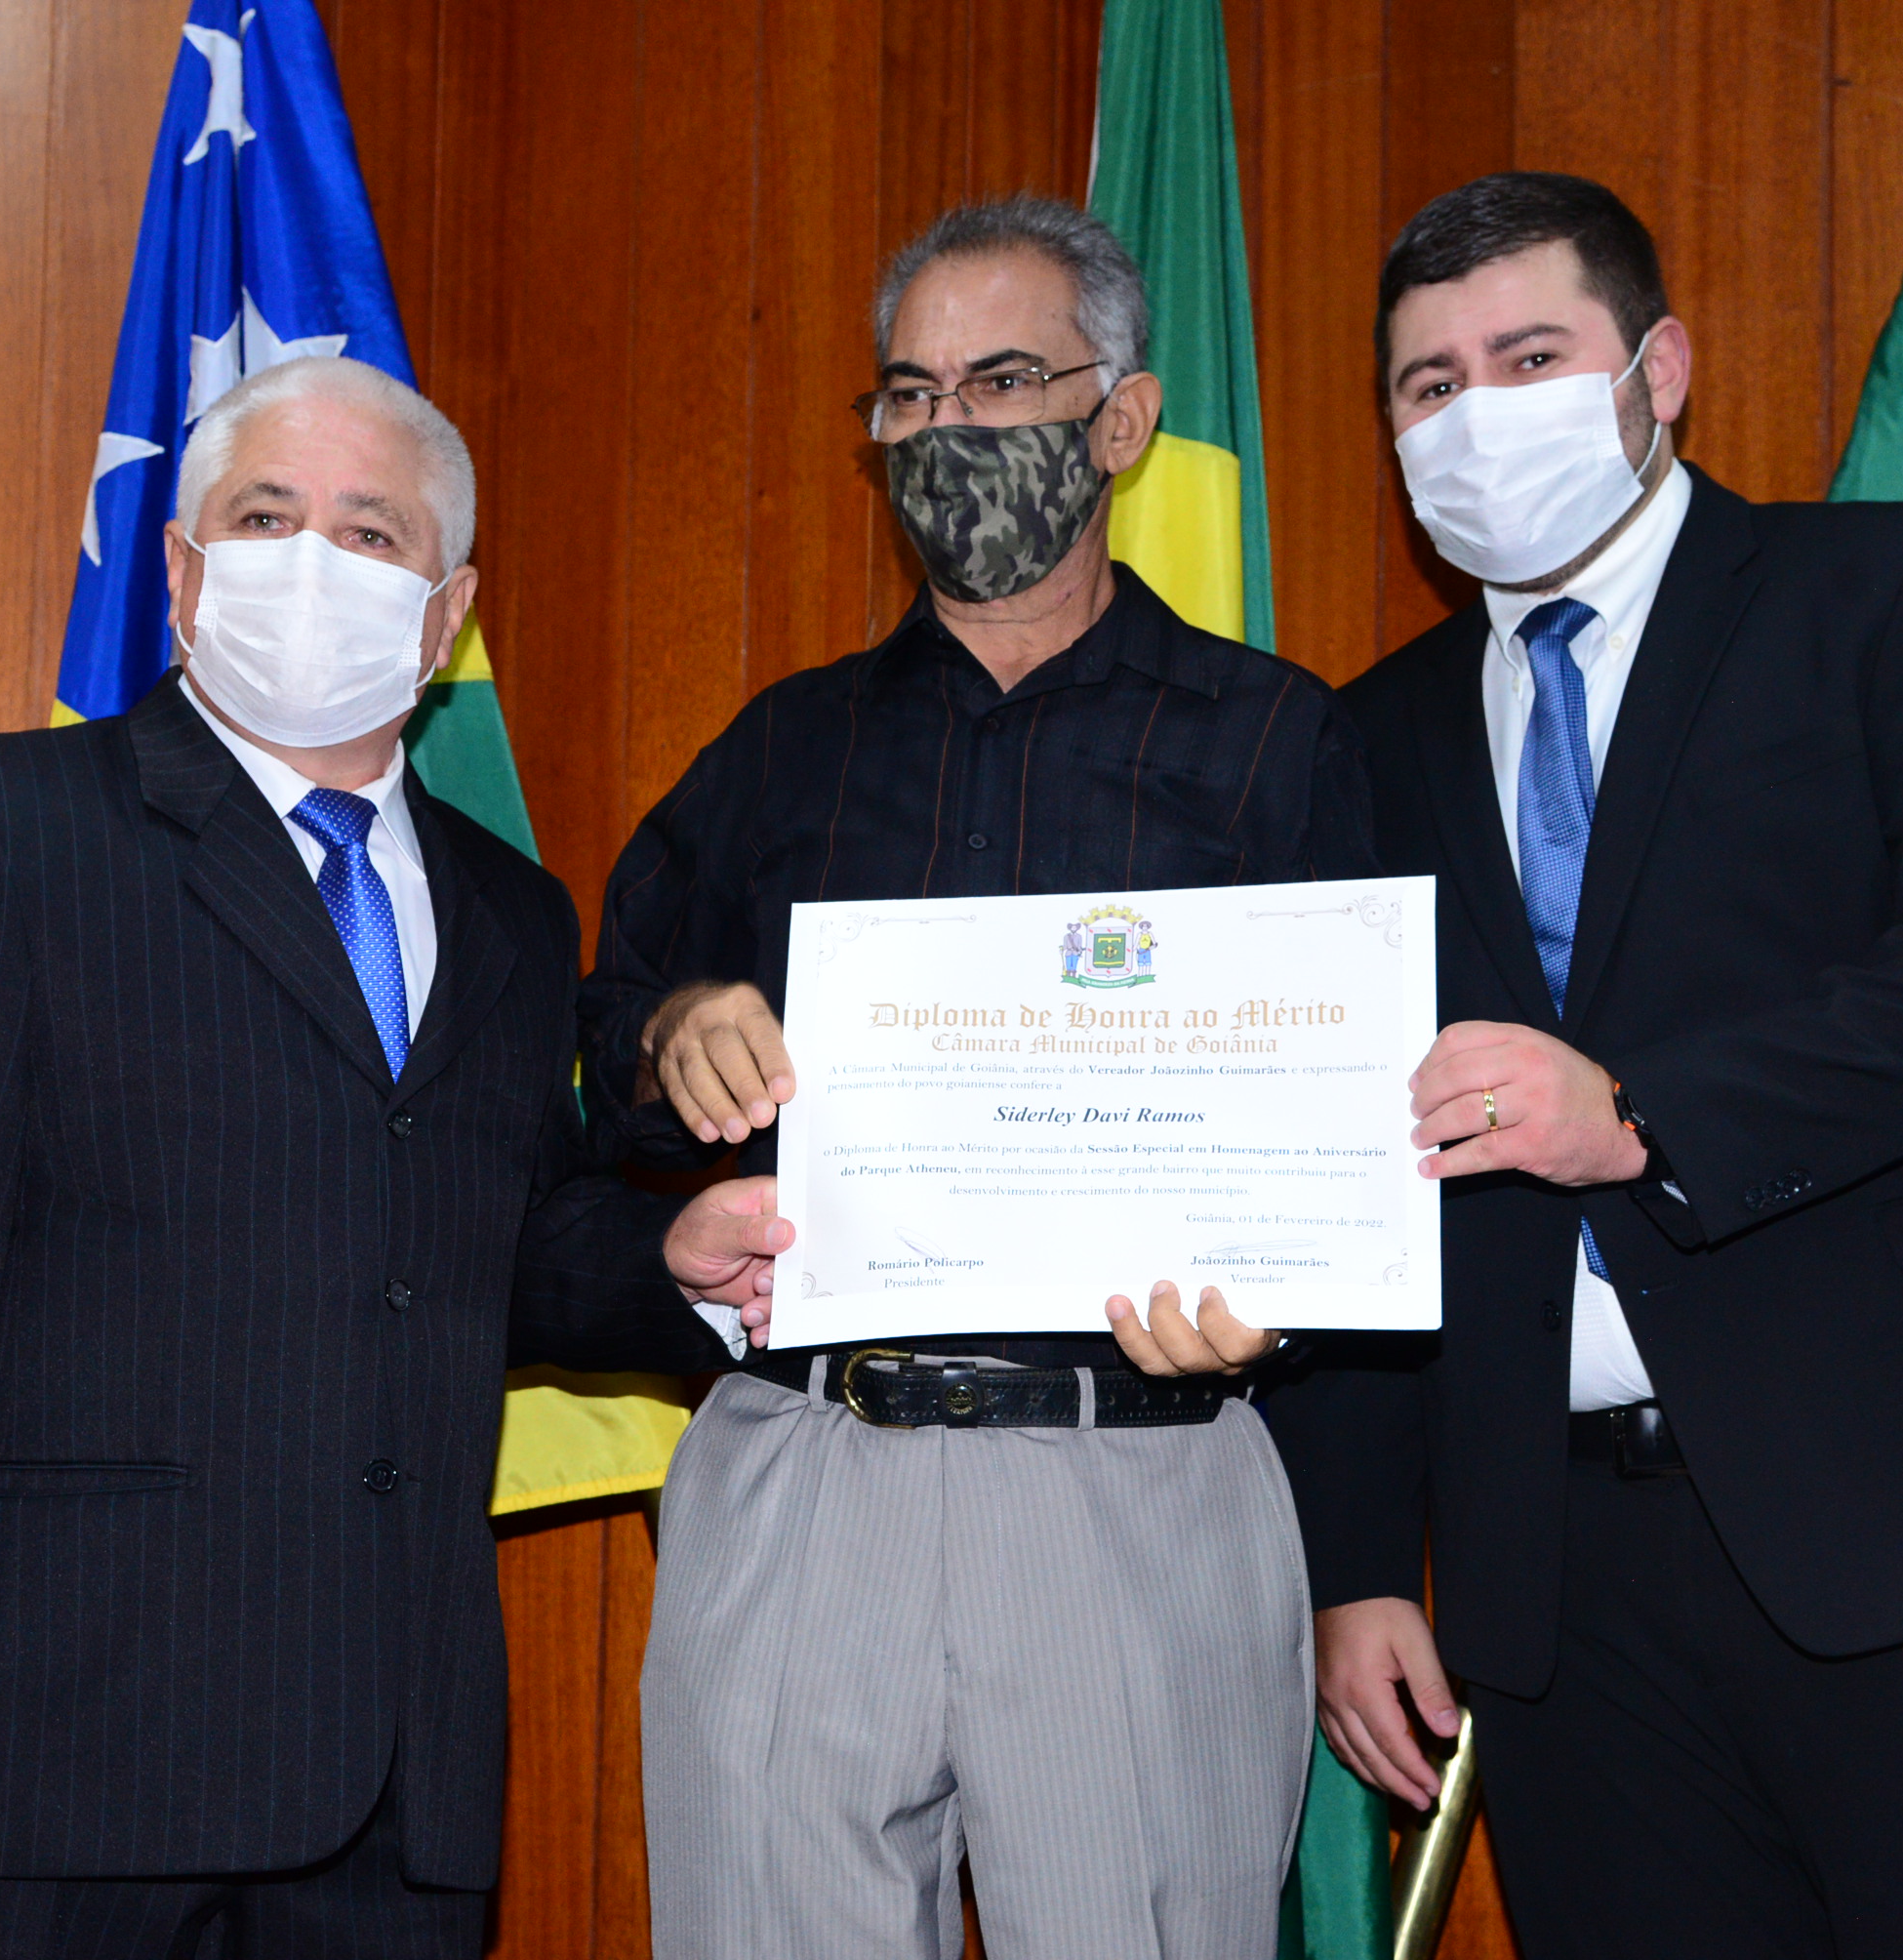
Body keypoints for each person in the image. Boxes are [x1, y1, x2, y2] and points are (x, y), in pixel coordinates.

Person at [1263, 173, 1903, 1959]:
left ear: (1661, 370)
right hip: (1562, 1601)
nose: (1478, 414)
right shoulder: (1362, 739)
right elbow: (1356, 1169)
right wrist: (1362, 1563)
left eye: (1530, 357)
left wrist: (1642, 1116)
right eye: (1431, 384)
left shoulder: (1894, 590)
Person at [0, 355, 786, 1959]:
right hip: (45, 1759)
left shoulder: (516, 913)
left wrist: (669, 1263)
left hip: (395, 1790)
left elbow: (473, 1253)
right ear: (180, 574)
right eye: (263, 517)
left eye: (369, 534)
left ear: (445, 617)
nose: (312, 562)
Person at [583, 195, 1382, 1960]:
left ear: (1122, 418)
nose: (949, 428)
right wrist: (674, 1027)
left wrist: (1292, 1302)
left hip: (1139, 1476)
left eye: (1003, 381)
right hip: (811, 1469)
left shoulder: (1281, 739)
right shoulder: (783, 748)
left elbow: (1372, 1125)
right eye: (910, 393)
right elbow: (607, 1038)